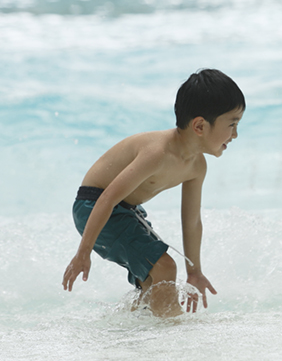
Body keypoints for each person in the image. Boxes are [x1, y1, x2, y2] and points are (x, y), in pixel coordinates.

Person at [62, 69, 245, 317]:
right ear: (200, 125)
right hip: (94, 206)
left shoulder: (197, 165)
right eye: (232, 124)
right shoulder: (157, 154)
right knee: (164, 268)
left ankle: (135, 332)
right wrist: (83, 253)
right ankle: (172, 338)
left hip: (126, 210)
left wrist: (195, 271)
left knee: (153, 282)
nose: (235, 134)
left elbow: (191, 221)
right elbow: (107, 197)